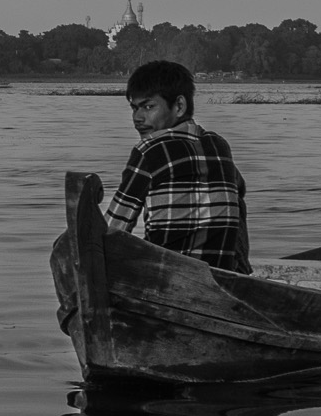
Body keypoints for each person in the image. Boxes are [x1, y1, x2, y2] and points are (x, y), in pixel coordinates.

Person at [105, 60, 249, 273]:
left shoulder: (149, 151)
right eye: (135, 108)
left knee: (75, 245)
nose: (137, 118)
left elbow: (112, 230)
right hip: (223, 278)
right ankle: (242, 272)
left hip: (166, 279)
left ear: (179, 106)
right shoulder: (219, 146)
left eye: (148, 107)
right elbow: (238, 195)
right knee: (237, 201)